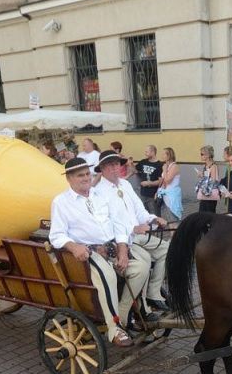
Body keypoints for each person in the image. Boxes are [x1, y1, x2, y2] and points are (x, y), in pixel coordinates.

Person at [49, 157, 134, 348]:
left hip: (111, 247)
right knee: (108, 276)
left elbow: (119, 224)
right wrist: (74, 247)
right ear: (69, 178)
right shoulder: (61, 202)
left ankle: (123, 314)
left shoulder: (99, 195)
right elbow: (56, 235)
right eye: (80, 175)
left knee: (141, 269)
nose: (86, 178)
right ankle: (114, 328)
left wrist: (123, 250)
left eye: (87, 173)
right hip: (87, 252)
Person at [93, 150, 170, 318]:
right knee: (145, 260)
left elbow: (139, 210)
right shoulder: (98, 192)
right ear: (102, 169)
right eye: (110, 165)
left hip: (138, 235)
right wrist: (133, 229)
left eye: (117, 164)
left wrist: (153, 218)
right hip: (122, 240)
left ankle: (154, 293)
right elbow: (107, 224)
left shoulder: (125, 184)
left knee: (167, 249)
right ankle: (135, 307)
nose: (115, 168)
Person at [156, 147, 183, 221]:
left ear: (169, 155)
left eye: (164, 154)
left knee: (172, 219)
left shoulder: (174, 166)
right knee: (167, 219)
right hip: (165, 194)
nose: (162, 155)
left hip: (172, 196)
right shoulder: (166, 166)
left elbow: (167, 180)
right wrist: (158, 191)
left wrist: (164, 170)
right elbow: (163, 181)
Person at [135, 145, 163, 215]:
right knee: (144, 214)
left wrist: (149, 183)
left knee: (155, 215)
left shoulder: (159, 165)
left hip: (153, 195)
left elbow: (161, 181)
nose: (145, 153)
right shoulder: (143, 162)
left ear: (153, 152)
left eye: (147, 152)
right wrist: (129, 164)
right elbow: (135, 170)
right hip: (143, 193)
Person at [195, 145, 221, 213]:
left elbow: (213, 181)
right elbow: (206, 178)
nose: (200, 156)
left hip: (210, 194)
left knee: (209, 213)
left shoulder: (213, 166)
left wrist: (202, 175)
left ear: (208, 155)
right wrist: (202, 175)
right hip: (205, 193)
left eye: (202, 154)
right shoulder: (206, 165)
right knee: (202, 213)